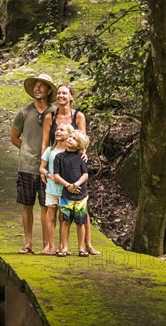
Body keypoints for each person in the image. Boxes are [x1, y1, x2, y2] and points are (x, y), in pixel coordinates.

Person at [41, 84, 100, 255]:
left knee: (82, 209)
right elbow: (45, 142)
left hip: (74, 165)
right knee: (55, 209)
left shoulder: (78, 116)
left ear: (71, 97)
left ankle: (87, 245)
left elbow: (83, 139)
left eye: (64, 93)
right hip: (56, 165)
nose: (61, 96)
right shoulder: (50, 117)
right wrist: (43, 166)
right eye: (58, 93)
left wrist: (83, 155)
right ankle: (54, 246)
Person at [10, 74, 57, 254]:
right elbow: (14, 137)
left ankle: (47, 245)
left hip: (49, 167)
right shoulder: (24, 112)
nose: (37, 89)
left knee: (47, 206)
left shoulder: (55, 112)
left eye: (41, 86)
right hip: (27, 166)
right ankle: (28, 244)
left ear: (48, 90)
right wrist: (27, 150)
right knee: (27, 205)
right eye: (35, 86)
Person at [53, 130, 91, 257]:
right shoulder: (59, 157)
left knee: (81, 222)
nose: (69, 139)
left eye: (74, 139)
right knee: (65, 221)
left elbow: (85, 174)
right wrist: (68, 185)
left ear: (79, 145)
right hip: (66, 195)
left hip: (81, 196)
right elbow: (56, 175)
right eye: (70, 137)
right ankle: (64, 247)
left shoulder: (81, 157)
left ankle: (81, 248)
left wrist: (76, 184)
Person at [39, 122, 74, 255]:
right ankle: (51, 246)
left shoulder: (72, 152)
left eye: (62, 130)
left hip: (65, 190)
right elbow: (42, 167)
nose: (58, 132)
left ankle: (63, 246)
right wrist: (48, 174)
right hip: (51, 189)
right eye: (57, 129)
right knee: (50, 217)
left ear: (69, 135)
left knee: (64, 218)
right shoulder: (50, 150)